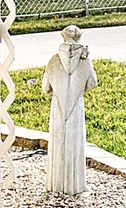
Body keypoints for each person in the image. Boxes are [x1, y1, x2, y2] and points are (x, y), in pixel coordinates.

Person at [42, 26, 99, 194]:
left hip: (57, 106)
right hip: (76, 104)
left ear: (63, 37)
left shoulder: (53, 60)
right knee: (75, 141)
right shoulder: (84, 60)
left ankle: (56, 185)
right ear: (78, 38)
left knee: (58, 141)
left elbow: (45, 89)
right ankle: (75, 186)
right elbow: (92, 83)